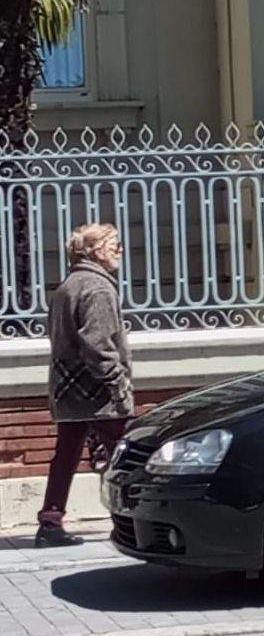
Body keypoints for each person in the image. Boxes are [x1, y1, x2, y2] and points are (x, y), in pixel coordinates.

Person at [37, 224, 132, 548]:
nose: (120, 251)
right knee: (127, 453)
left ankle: (50, 521)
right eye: (114, 245)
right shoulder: (98, 288)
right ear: (95, 251)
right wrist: (117, 383)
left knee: (65, 454)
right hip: (98, 392)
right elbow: (97, 344)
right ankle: (130, 521)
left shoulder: (67, 286)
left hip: (67, 388)